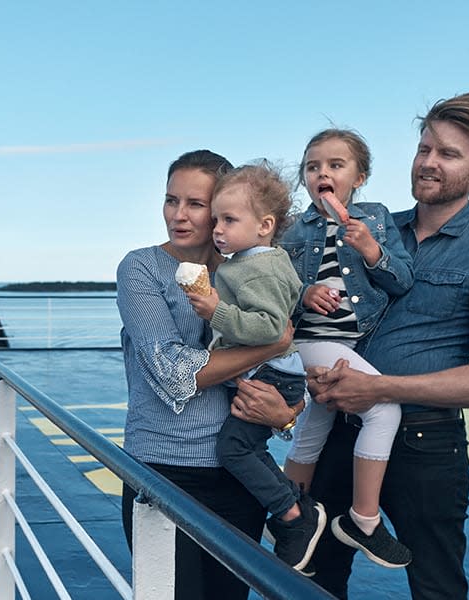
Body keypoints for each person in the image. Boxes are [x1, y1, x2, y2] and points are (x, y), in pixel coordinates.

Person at [305, 93, 469, 599]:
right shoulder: (367, 228)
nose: (429, 162)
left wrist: (379, 388)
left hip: (426, 445)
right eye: (424, 147)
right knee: (311, 580)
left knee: (436, 586)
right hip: (337, 430)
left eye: (448, 154)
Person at [117, 150, 305, 599]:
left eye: (196, 204)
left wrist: (287, 414)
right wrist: (273, 341)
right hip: (161, 474)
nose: (178, 216)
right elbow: (173, 373)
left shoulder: (254, 271)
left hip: (239, 475)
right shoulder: (141, 268)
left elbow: (290, 366)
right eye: (170, 200)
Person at [278, 129, 415, 569]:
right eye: (313, 166)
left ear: (360, 177)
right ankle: (364, 520)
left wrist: (372, 251)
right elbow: (272, 291)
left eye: (336, 165)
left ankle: (289, 516)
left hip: (348, 344)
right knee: (385, 408)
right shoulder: (293, 230)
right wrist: (304, 293)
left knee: (314, 425)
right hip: (307, 342)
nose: (323, 172)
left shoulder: (374, 219)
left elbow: (402, 281)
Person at [182, 162, 326, 574]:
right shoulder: (268, 260)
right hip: (276, 370)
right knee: (248, 446)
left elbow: (268, 329)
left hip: (272, 374)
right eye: (215, 221)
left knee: (233, 448)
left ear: (265, 225)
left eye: (229, 220)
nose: (218, 230)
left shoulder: (255, 267)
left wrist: (216, 310)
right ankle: (292, 505)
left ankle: (294, 517)